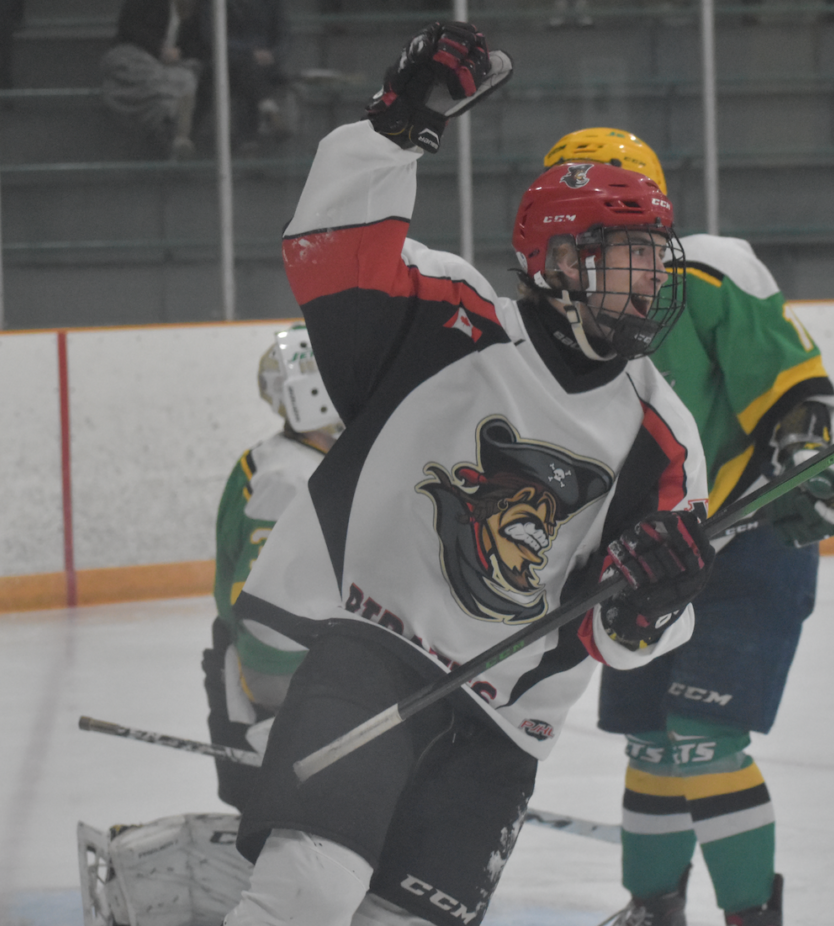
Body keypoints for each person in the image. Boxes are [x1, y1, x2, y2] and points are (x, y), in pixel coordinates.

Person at [222, 22, 716, 926]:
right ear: (560, 262)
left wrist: (655, 597)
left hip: (503, 725)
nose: (651, 282)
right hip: (368, 654)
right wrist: (395, 126)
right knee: (307, 891)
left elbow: (620, 635)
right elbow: (329, 250)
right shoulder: (448, 320)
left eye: (655, 258)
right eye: (628, 259)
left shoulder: (664, 434)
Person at [544, 128, 834, 926]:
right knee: (650, 740)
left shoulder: (711, 272)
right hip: (645, 560)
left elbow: (794, 397)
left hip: (747, 545)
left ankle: (749, 916)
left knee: (702, 735)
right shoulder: (547, 322)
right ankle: (653, 908)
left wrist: (803, 465)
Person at [202, 321, 340, 815]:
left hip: (279, 660)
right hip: (285, 672)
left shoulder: (269, 461)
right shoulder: (289, 478)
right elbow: (266, 613)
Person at [181, 0, 291, 149]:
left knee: (248, 72)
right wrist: (250, 54)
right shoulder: (214, 3)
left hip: (264, 66)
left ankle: (190, 140)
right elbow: (211, 36)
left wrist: (273, 55)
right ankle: (264, 117)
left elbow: (284, 36)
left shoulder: (271, 3)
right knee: (245, 69)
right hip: (224, 63)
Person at [101, 0, 202, 159]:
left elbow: (197, 45)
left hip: (166, 67)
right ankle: (170, 130)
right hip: (133, 56)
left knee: (187, 78)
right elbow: (129, 26)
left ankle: (175, 134)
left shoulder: (194, 10)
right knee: (166, 87)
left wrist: (178, 55)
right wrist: (160, 50)